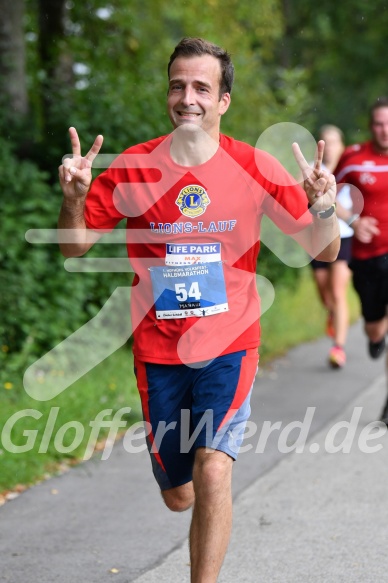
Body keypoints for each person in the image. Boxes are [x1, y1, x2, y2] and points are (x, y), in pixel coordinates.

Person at [57, 38, 339, 583]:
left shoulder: (254, 166)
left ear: (223, 101)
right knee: (179, 495)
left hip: (231, 344)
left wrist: (324, 202)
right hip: (158, 349)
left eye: (202, 88)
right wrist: (74, 197)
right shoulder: (135, 167)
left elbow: (320, 249)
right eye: (178, 86)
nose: (188, 98)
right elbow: (75, 246)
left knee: (213, 472)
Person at [334, 96, 388, 423]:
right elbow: (324, 193)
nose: (386, 130)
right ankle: (375, 337)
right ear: (371, 127)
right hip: (367, 258)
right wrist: (353, 220)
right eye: (380, 124)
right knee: (373, 325)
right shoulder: (354, 158)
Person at [310, 125, 353, 368]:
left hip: (345, 236)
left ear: (342, 144)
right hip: (319, 237)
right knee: (325, 293)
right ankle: (333, 314)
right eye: (325, 141)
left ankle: (338, 348)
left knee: (337, 292)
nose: (330, 146)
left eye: (334, 141)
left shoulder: (351, 167)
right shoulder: (314, 169)